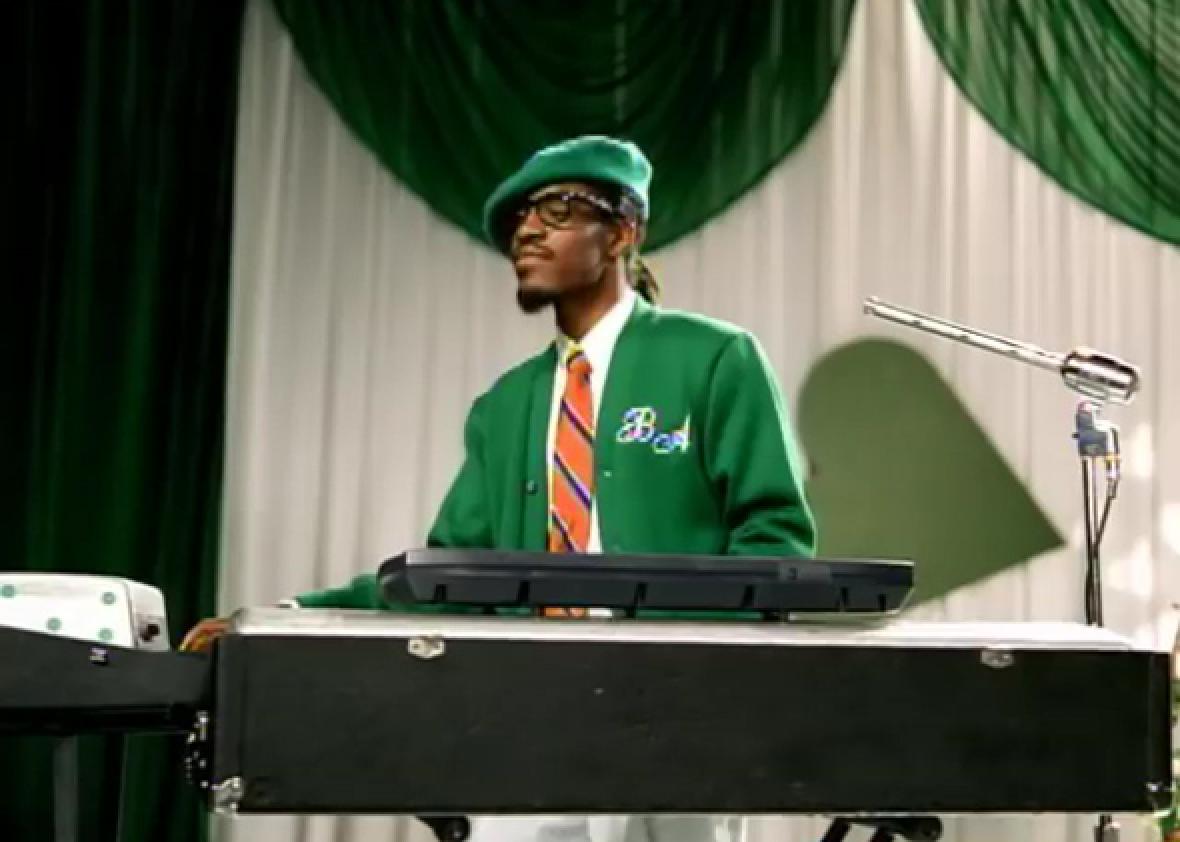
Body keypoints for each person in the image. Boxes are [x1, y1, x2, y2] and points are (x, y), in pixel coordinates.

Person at [183, 136, 816, 840]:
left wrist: (688, 670)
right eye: (521, 217)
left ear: (623, 233)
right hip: (534, 720)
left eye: (558, 209)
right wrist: (286, 619)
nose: (528, 229)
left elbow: (774, 542)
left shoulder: (716, 358)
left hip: (684, 725)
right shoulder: (504, 405)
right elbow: (445, 580)